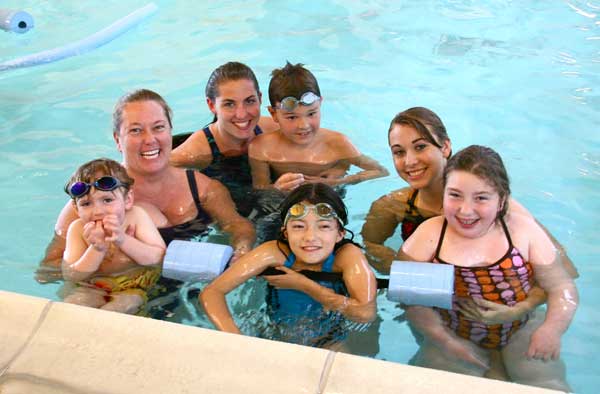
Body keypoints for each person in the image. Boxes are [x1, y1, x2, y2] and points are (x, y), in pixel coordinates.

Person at [399, 145, 578, 391]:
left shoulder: (523, 232)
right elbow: (411, 301)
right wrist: (443, 339)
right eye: (455, 195)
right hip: (454, 330)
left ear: (502, 200)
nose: (465, 210)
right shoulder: (428, 237)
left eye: (481, 198)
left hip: (519, 327)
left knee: (546, 383)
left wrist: (551, 330)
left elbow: (562, 287)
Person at [37, 89, 256, 283]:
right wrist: (114, 261)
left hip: (188, 285)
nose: (149, 139)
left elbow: (238, 226)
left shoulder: (203, 189)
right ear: (117, 140)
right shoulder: (89, 201)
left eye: (158, 128)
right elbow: (46, 272)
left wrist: (242, 249)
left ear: (170, 131)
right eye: (136, 130)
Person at [361, 107, 578, 279]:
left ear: (445, 147)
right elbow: (369, 247)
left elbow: (564, 268)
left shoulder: (495, 205)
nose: (409, 161)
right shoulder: (391, 206)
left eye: (420, 147)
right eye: (399, 152)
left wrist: (523, 305)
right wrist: (422, 275)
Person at [200, 183, 377, 348]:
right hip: (275, 334)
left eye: (323, 226)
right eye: (299, 226)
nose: (310, 237)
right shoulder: (274, 252)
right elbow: (212, 292)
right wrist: (238, 342)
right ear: (285, 233)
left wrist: (304, 285)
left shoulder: (347, 256)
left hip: (330, 338)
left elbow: (365, 314)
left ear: (340, 234)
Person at [248, 62, 388, 192]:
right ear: (274, 114)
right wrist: (277, 189)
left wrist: (339, 181)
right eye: (292, 117)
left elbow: (380, 171)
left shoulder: (338, 143)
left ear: (320, 104)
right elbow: (260, 191)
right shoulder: (261, 148)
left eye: (311, 113)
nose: (304, 125)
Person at [170, 62, 278, 216]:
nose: (241, 114)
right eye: (229, 104)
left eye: (249, 101)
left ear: (260, 98)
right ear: (212, 105)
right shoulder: (197, 151)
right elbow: (139, 172)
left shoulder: (272, 130)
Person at [61, 158, 165, 314]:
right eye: (86, 204)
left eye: (107, 200)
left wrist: (122, 239)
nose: (98, 211)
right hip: (93, 287)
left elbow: (158, 257)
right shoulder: (77, 229)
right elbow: (72, 274)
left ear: (127, 200)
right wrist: (97, 248)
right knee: (72, 306)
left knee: (123, 305)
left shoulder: (137, 217)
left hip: (134, 285)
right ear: (76, 209)